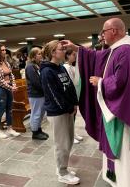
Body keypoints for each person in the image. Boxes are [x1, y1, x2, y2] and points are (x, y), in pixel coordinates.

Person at [62, 18, 130, 187]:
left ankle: (129, 181)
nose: (102, 35)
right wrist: (76, 48)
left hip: (124, 114)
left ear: (113, 31)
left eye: (103, 32)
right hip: (120, 111)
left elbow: (123, 82)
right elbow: (96, 56)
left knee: (124, 148)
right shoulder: (117, 50)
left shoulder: (126, 51)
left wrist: (101, 82)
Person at [40, 40, 80, 185]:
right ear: (53, 53)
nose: (65, 51)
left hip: (68, 110)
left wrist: (75, 103)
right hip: (58, 112)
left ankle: (62, 168)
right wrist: (67, 108)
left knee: (68, 141)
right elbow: (53, 95)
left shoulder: (61, 68)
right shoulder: (46, 71)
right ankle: (62, 173)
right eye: (61, 49)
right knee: (62, 144)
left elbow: (69, 87)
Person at [0, 43, 20, 139]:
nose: (4, 51)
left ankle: (9, 128)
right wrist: (11, 87)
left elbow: (11, 75)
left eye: (4, 50)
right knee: (0, 110)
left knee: (9, 109)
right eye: (2, 50)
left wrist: (14, 85)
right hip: (0, 88)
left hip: (9, 87)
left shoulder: (6, 62)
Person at [25, 47, 48, 140]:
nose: (41, 55)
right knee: (36, 113)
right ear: (33, 56)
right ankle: (35, 132)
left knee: (41, 113)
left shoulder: (36, 65)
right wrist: (45, 89)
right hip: (35, 94)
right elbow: (35, 82)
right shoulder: (30, 66)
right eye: (38, 54)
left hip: (40, 94)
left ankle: (39, 129)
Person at [64, 49, 83, 144]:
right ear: (67, 56)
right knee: (70, 117)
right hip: (70, 95)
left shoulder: (71, 66)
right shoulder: (66, 67)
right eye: (73, 54)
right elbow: (71, 83)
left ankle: (73, 133)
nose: (74, 56)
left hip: (75, 93)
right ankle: (70, 136)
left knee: (73, 117)